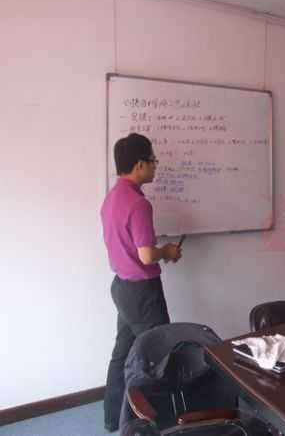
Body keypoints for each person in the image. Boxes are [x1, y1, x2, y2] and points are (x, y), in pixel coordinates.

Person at [101, 133, 182, 432]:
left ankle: (112, 418)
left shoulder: (111, 197)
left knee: (122, 353)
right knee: (159, 357)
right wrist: (167, 252)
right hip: (142, 294)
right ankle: (160, 424)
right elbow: (147, 255)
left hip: (122, 288)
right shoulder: (138, 203)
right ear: (139, 165)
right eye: (152, 160)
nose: (155, 165)